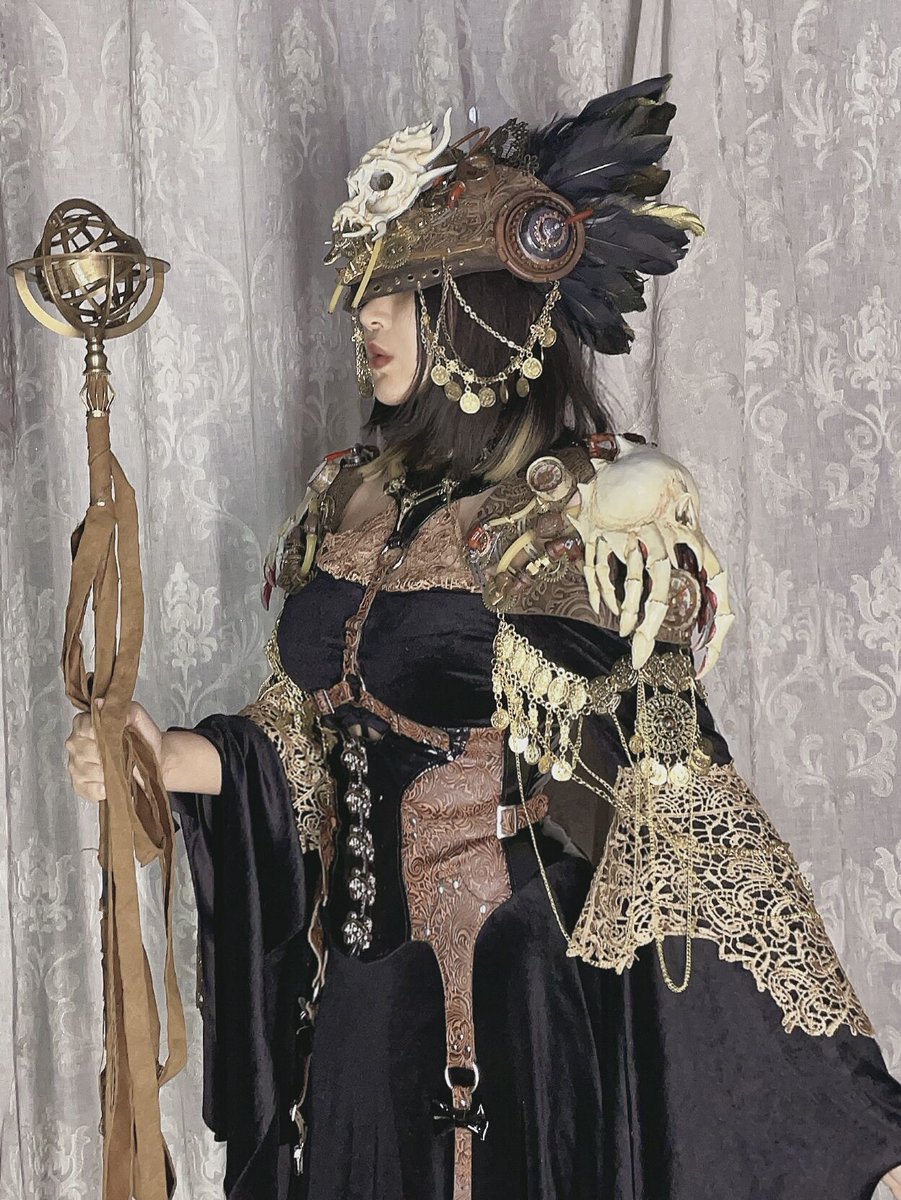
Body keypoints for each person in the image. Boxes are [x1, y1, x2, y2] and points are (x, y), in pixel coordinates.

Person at [66, 77, 901, 1200]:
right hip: (358, 997)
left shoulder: (572, 519)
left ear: (480, 311)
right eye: (362, 294)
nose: (364, 320)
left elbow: (686, 807)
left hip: (505, 1004)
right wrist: (162, 754)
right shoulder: (348, 498)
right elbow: (304, 740)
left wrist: (850, 1119)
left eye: (397, 293)